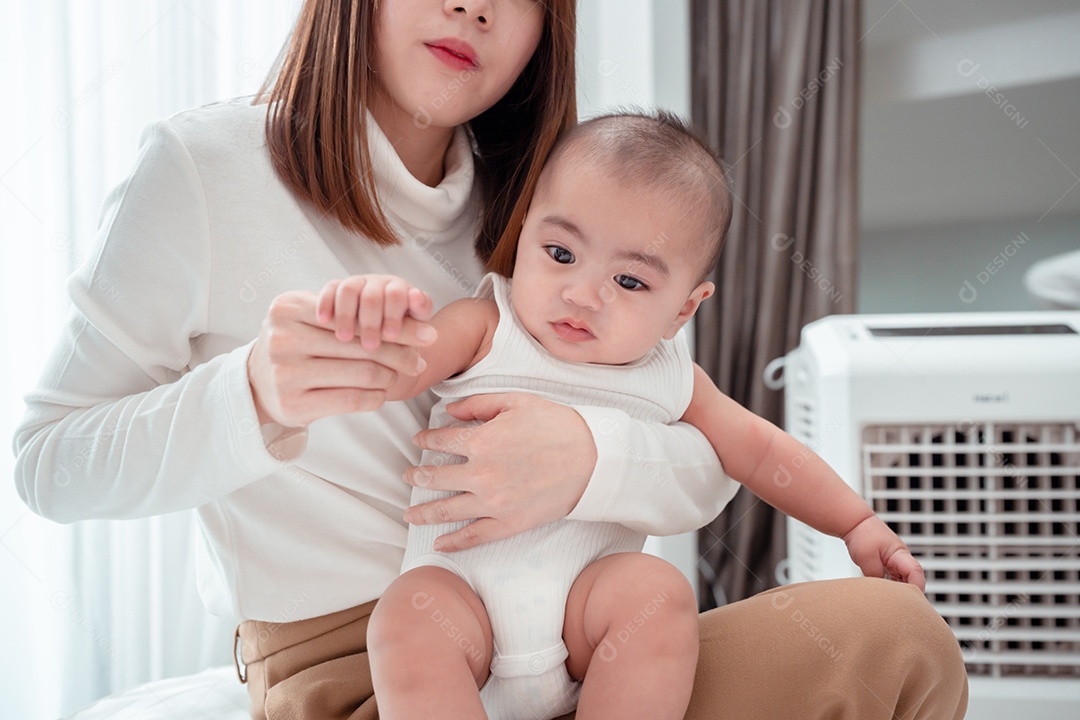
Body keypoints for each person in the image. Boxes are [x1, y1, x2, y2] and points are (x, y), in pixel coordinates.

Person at [12, 1, 968, 719]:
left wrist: (590, 457)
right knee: (418, 620)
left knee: (899, 637)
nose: (475, 6)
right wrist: (257, 394)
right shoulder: (206, 169)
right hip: (375, 659)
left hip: (586, 643)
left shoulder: (562, 199)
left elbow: (708, 444)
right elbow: (46, 464)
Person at [315, 110, 932, 720]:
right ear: (524, 231)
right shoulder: (487, 326)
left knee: (657, 592)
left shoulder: (671, 378)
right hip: (462, 606)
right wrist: (370, 320)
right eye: (560, 253)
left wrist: (856, 524)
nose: (583, 294)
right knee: (407, 614)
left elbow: (765, 453)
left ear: (683, 311)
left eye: (631, 282)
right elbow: (398, 369)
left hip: (588, 620)